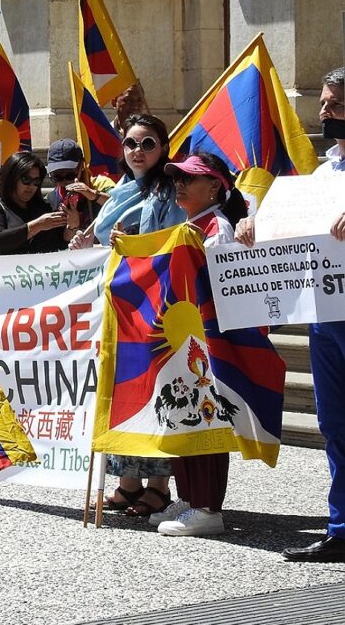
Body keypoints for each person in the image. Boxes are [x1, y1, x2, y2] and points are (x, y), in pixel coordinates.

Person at [237, 67, 345, 561]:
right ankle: (342, 528)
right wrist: (255, 224)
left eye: (335, 105)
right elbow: (291, 230)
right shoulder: (323, 175)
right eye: (323, 104)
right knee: (334, 424)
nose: (324, 112)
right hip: (327, 317)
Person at [75, 114, 187, 516]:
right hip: (117, 307)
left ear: (163, 148)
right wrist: (86, 242)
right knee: (119, 389)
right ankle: (127, 483)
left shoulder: (170, 193)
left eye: (148, 144)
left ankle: (158, 484)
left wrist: (134, 245)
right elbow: (108, 242)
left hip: (152, 306)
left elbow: (175, 244)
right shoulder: (121, 190)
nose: (138, 152)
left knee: (152, 391)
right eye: (130, 144)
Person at [141, 151, 248, 536]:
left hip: (205, 339)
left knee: (205, 412)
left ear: (215, 186)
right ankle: (189, 495)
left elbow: (220, 283)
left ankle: (207, 506)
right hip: (184, 338)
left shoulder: (216, 228)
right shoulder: (191, 224)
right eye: (178, 178)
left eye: (190, 178)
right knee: (184, 410)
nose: (180, 184)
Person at [0, 151, 67, 255]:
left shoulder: (43, 208)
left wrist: (73, 226)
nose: (31, 186)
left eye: (36, 182)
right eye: (26, 180)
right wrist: (35, 227)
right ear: (11, 179)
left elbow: (60, 244)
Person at [45, 138, 115, 249]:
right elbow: (63, 243)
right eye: (57, 176)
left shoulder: (101, 185)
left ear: (81, 166)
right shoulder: (52, 199)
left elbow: (118, 204)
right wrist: (73, 227)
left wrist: (93, 195)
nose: (64, 181)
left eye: (69, 175)